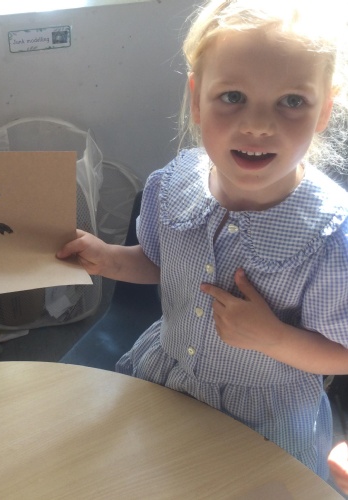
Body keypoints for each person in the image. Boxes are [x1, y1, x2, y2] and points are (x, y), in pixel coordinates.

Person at [57, 0, 348, 479]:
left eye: (292, 101)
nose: (258, 124)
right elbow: (162, 262)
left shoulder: (329, 236)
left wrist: (274, 337)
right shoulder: (174, 183)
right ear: (196, 99)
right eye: (232, 96)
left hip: (265, 418)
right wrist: (108, 259)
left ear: (324, 111)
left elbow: (341, 350)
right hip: (169, 378)